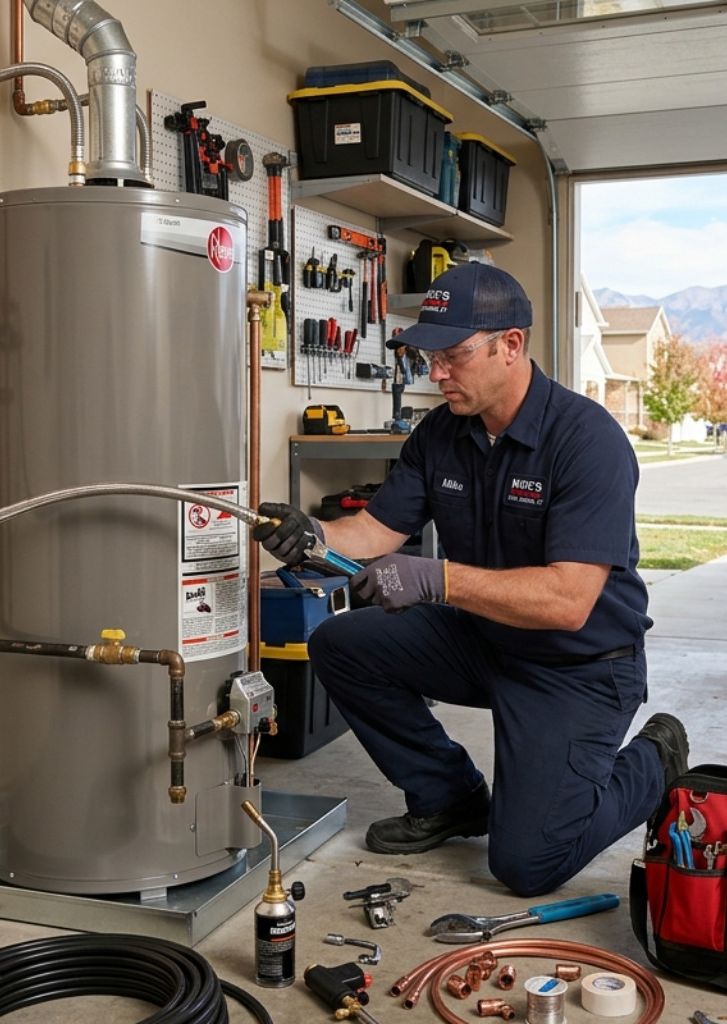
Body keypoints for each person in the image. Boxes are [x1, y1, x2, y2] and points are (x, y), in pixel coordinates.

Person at [253, 262, 688, 897]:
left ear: (510, 345)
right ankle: (450, 797)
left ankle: (656, 759)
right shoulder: (442, 433)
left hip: (580, 663)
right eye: (430, 357)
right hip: (486, 641)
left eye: (453, 356)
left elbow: (569, 601)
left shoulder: (587, 441)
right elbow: (374, 533)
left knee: (527, 865)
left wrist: (435, 579)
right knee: (341, 644)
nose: (436, 374)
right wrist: (310, 539)